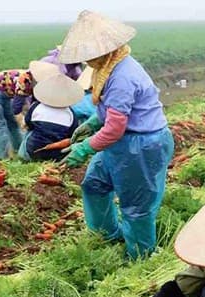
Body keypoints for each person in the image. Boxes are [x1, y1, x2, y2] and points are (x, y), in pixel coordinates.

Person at [59, 11, 174, 260]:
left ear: (105, 50)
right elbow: (112, 110)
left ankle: (141, 258)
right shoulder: (108, 67)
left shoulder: (123, 75)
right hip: (121, 143)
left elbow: (114, 129)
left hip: (140, 146)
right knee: (94, 185)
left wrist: (85, 148)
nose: (87, 60)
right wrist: (93, 121)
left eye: (90, 54)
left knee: (136, 206)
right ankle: (107, 236)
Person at [19, 72, 82, 162]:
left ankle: (23, 157)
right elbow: (72, 135)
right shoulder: (70, 114)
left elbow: (28, 123)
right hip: (57, 156)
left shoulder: (36, 106)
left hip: (33, 151)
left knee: (29, 130)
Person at [0, 67, 36, 159]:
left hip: (7, 93)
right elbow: (17, 110)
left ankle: (20, 154)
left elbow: (31, 105)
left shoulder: (38, 84)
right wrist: (24, 124)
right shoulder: (26, 80)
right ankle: (1, 159)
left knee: (13, 124)